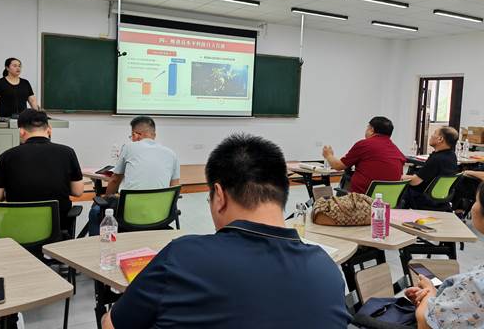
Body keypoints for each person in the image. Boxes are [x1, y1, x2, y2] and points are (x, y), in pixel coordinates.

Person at [101, 134, 351, 329]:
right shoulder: (327, 271)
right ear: (282, 193)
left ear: (219, 196)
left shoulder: (183, 256)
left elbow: (113, 325)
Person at [0, 109, 84, 230]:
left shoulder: (7, 156)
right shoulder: (67, 153)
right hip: (57, 230)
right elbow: (78, 191)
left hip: (17, 230)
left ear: (21, 132)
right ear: (49, 129)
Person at [405, 181, 484, 328]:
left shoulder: (476, 285)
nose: (473, 206)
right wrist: (438, 296)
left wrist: (429, 294)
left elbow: (425, 322)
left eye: (476, 201)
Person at [88, 116, 180, 236]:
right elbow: (174, 188)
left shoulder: (129, 147)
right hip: (160, 217)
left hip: (129, 217)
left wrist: (107, 197)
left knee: (96, 210)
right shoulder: (172, 154)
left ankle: (96, 245)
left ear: (136, 134)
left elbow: (115, 180)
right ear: (154, 135)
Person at [322, 116, 406, 194]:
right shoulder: (397, 151)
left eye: (367, 127)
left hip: (362, 200)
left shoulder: (364, 144)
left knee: (322, 202)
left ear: (371, 130)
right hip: (387, 201)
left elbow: (338, 166)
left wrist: (328, 155)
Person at [400, 127, 458, 210]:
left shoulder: (436, 159)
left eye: (434, 133)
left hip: (424, 199)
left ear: (440, 139)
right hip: (440, 200)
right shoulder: (452, 156)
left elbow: (415, 181)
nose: (431, 136)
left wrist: (399, 177)